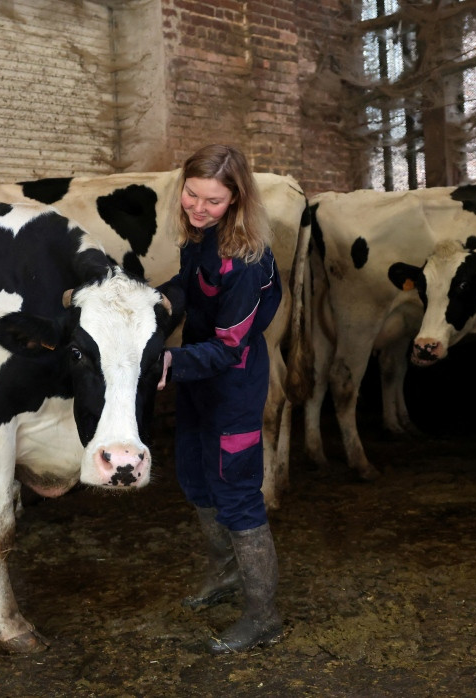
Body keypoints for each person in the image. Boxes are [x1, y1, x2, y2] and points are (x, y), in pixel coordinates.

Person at [156, 144, 284, 654]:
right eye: (191, 194)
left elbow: (231, 344)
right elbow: (187, 287)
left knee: (236, 491)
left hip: (232, 385)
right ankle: (227, 572)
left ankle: (263, 615)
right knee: (195, 474)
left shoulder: (247, 260)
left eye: (213, 200)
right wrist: (152, 300)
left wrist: (167, 363)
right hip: (197, 383)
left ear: (236, 199)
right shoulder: (199, 238)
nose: (198, 207)